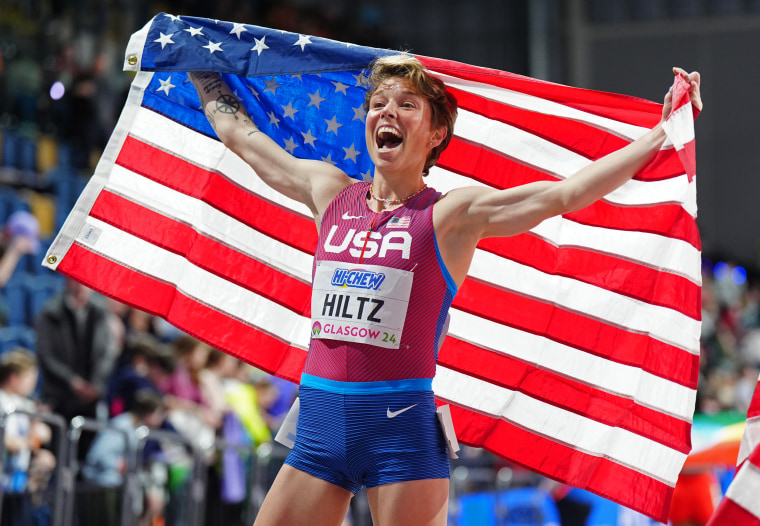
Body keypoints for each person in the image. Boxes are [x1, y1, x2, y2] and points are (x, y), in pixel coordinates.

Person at [188, 57, 702, 526]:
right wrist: (195, 62)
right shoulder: (329, 193)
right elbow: (240, 135)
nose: (387, 112)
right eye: (379, 104)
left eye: (407, 105)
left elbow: (564, 195)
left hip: (402, 434)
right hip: (321, 427)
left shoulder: (451, 215)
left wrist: (661, 134)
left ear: (436, 134)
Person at [0, 348, 56, 526]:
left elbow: (43, 433)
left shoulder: (26, 404)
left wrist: (38, 435)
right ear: (13, 378)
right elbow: (7, 441)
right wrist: (29, 442)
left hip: (17, 483)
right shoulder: (2, 400)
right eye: (30, 378)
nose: (33, 384)